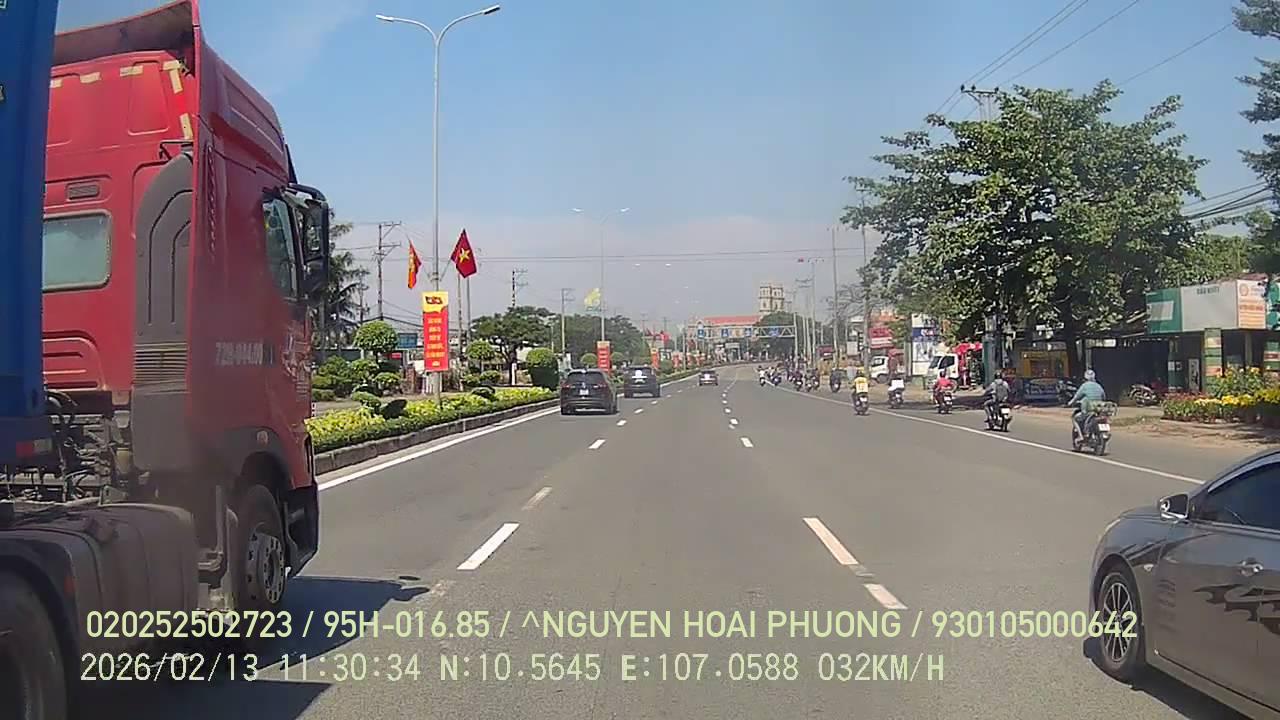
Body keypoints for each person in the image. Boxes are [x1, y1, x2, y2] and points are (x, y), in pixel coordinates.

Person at [1069, 369, 1106, 438]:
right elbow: (1103, 396)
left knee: (1074, 418)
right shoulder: (1098, 386)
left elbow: (1077, 396)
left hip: (1088, 410)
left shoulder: (1084, 386)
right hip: (1098, 409)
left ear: (1085, 378)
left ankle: (1081, 436)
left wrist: (1070, 403)